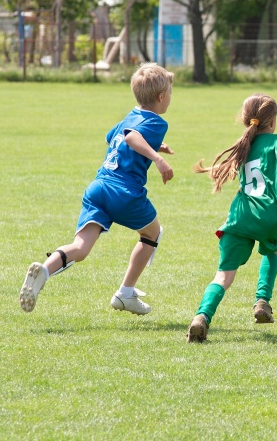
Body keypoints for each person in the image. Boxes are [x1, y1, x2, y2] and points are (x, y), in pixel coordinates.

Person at [19, 62, 175, 315]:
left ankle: (44, 270)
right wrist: (157, 159)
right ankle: (125, 293)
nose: (170, 99)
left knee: (80, 248)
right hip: (123, 192)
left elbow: (113, 137)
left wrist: (154, 146)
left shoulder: (130, 116)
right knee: (152, 234)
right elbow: (131, 138)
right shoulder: (157, 122)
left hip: (98, 187)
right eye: (170, 94)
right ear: (160, 97)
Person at [186, 93, 277, 343]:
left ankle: (201, 317)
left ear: (245, 119)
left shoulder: (244, 145)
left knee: (223, 276)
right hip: (271, 215)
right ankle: (262, 301)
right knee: (271, 251)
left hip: (241, 217)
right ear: (272, 122)